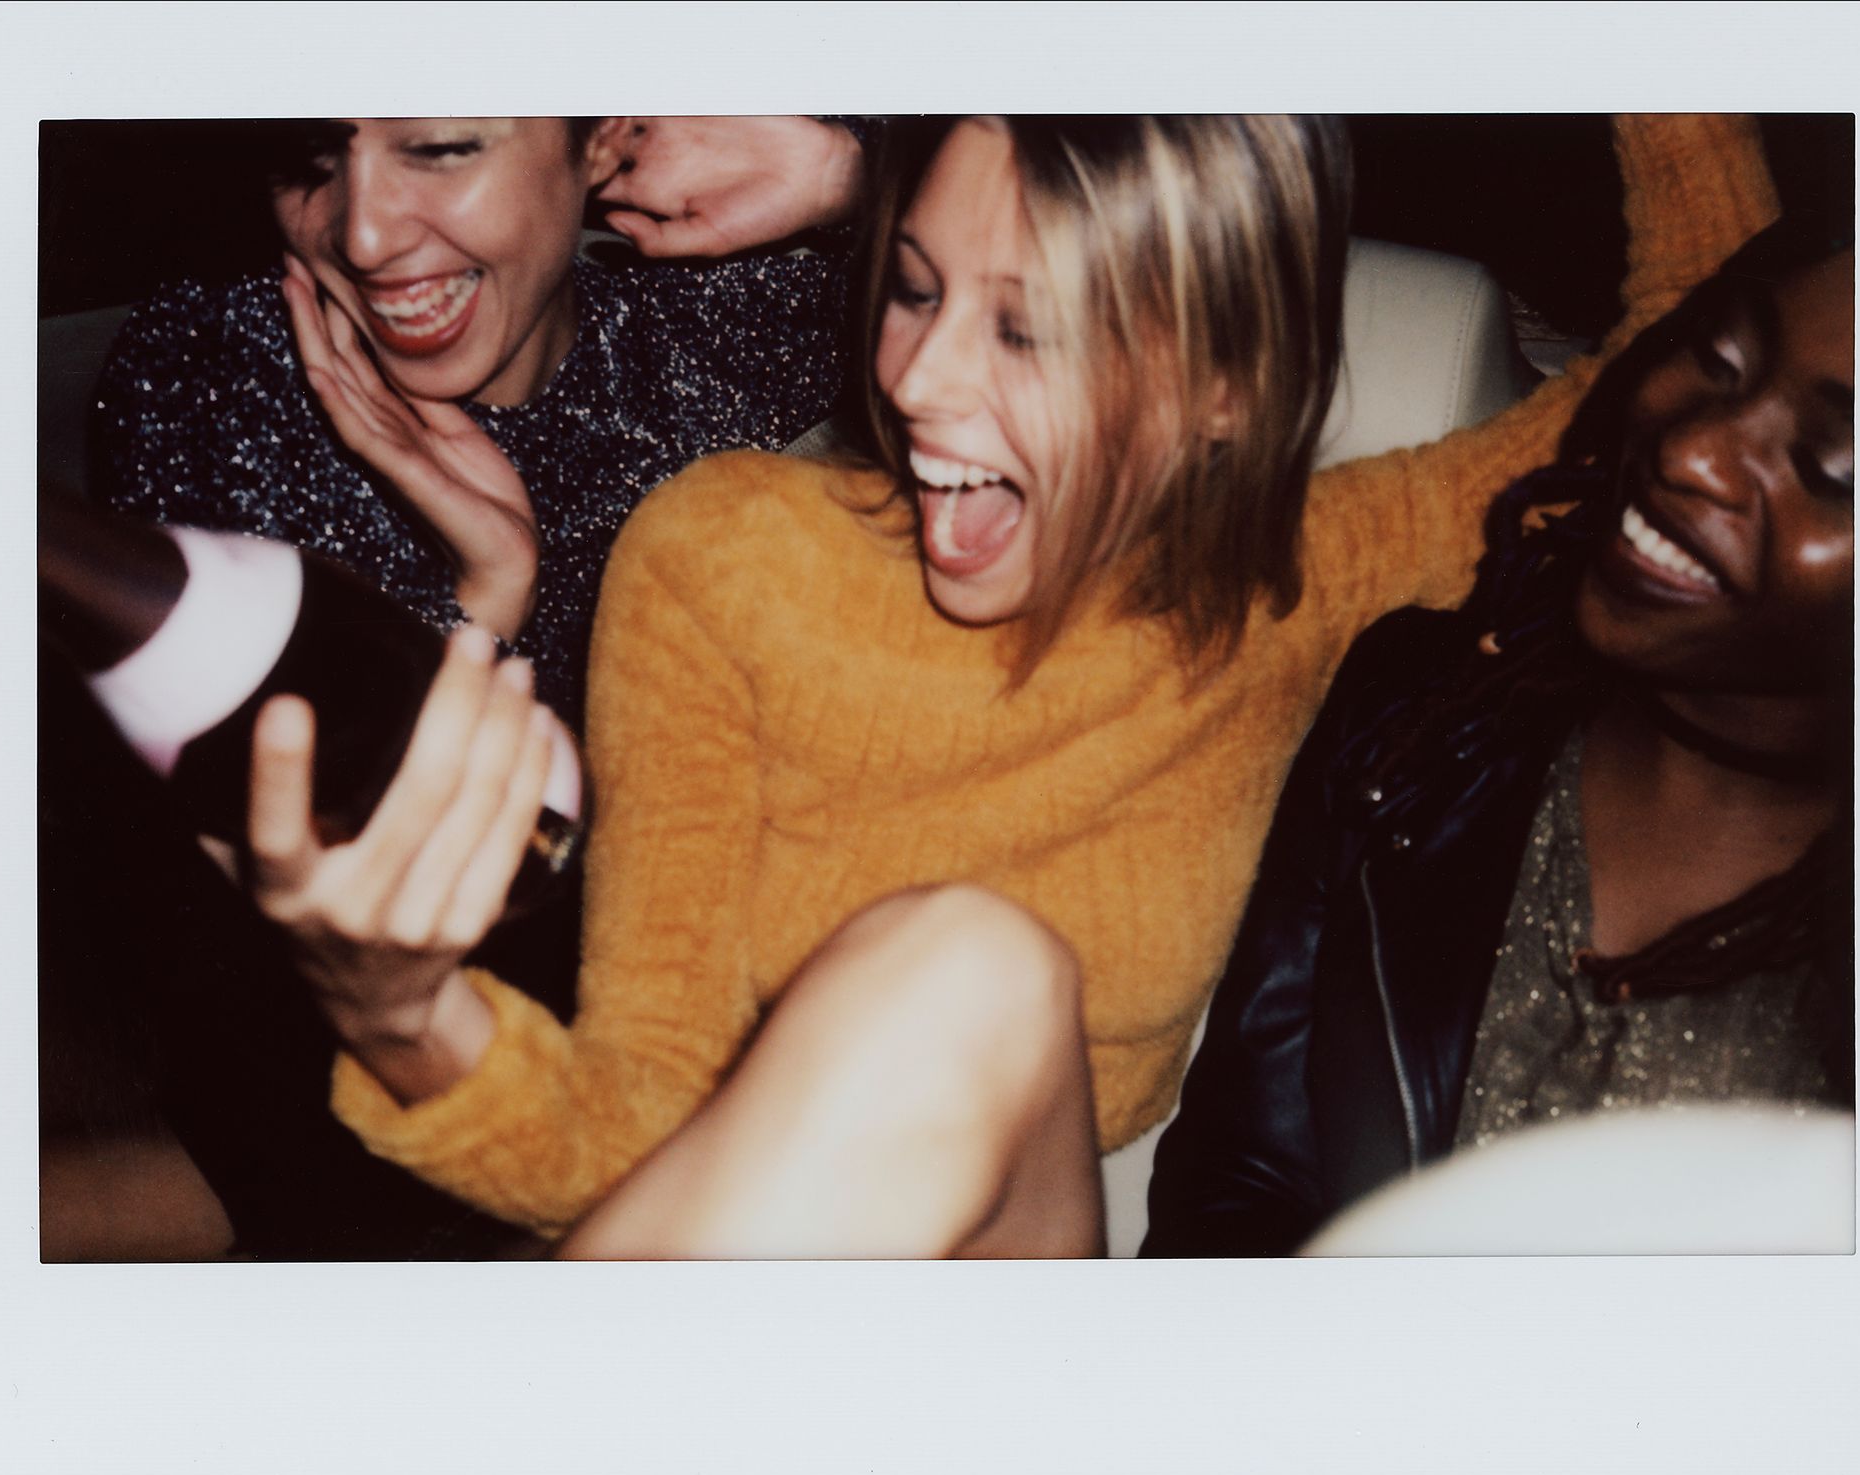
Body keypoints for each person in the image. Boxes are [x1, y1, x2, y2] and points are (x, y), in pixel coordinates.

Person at [235, 114, 1773, 1257]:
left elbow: (1702, 337)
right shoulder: (726, 560)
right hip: (724, 1251)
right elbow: (634, 1131)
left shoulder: (1294, 580)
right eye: (913, 292)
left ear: (1226, 391)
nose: (916, 382)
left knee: (974, 966)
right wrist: (405, 1014)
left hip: (1017, 1301)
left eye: (1026, 328)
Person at [43, 116, 866, 1260]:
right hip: (341, 1033)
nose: (365, 235)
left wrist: (848, 164)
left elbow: (1058, 270)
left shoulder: (734, 324)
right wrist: (481, 607)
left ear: (601, 140)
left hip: (657, 1008)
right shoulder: (213, 376)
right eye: (308, 164)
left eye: (439, 150)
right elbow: (314, 877)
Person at [1141, 214, 1853, 1258]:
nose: (1691, 450)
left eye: (1832, 467)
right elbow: (1244, 1182)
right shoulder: (1420, 721)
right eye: (1718, 357)